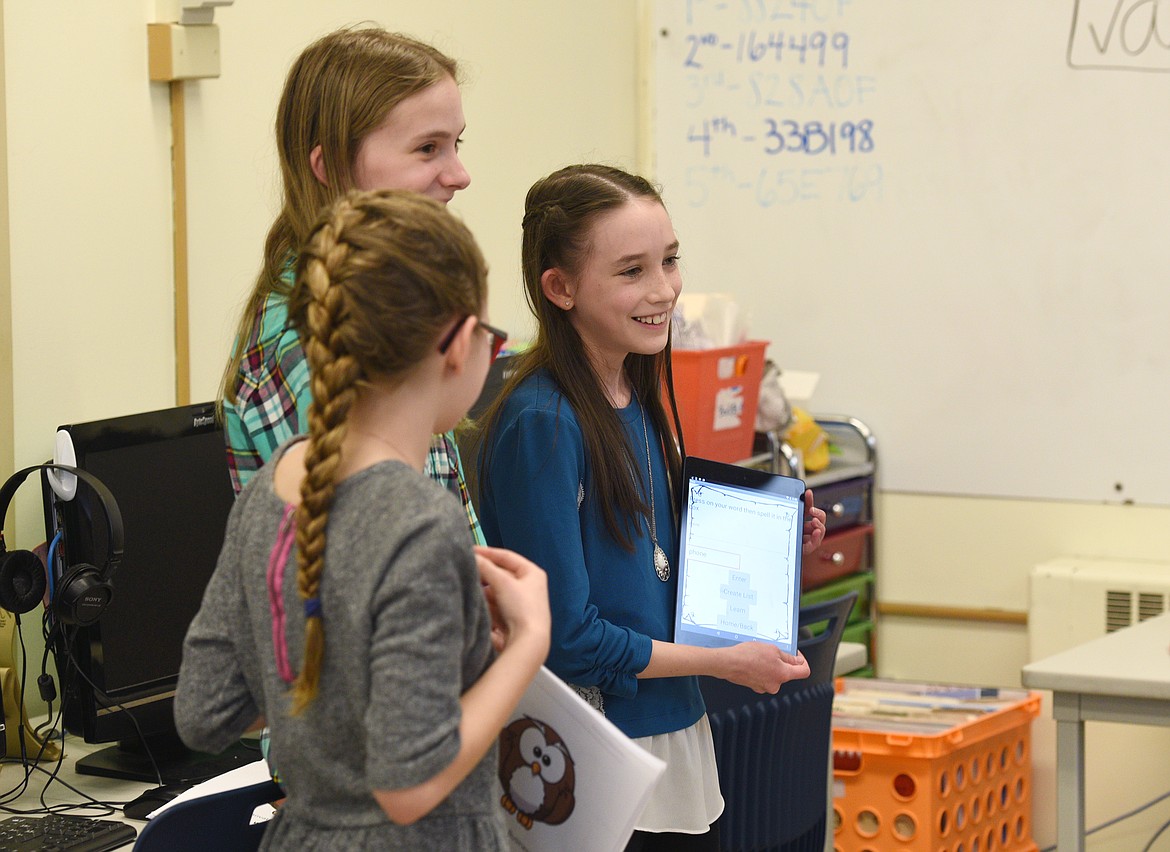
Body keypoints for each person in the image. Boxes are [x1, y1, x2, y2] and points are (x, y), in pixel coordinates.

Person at [176, 190, 549, 849]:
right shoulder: (420, 523)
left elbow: (204, 715)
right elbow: (409, 788)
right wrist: (527, 645)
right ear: (460, 345)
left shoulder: (270, 490)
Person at [474, 164, 827, 850]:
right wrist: (721, 662)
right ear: (560, 287)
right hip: (592, 761)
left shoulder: (637, 397)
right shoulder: (544, 424)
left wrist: (770, 546)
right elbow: (567, 639)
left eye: (669, 261)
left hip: (671, 737)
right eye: (632, 270)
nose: (664, 290)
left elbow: (655, 565)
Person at [219, 25, 483, 545]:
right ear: (332, 166)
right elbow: (361, 571)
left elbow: (445, 516)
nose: (459, 174)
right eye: (428, 148)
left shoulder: (393, 302)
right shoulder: (305, 340)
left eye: (456, 144)